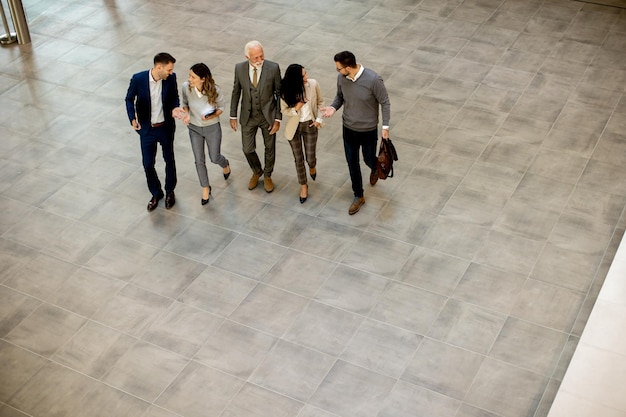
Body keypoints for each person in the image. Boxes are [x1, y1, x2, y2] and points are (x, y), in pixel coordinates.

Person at [320, 51, 391, 215]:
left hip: (367, 130)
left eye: (339, 69)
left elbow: (385, 103)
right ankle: (358, 195)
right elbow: (340, 97)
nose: (338, 72)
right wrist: (333, 107)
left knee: (367, 158)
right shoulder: (342, 79)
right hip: (348, 128)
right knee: (352, 163)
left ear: (348, 67)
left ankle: (375, 168)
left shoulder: (373, 80)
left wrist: (385, 128)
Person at [125, 52, 180, 211]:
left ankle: (170, 191)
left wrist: (176, 108)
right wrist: (132, 118)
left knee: (169, 160)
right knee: (148, 164)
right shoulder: (138, 79)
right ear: (158, 67)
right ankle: (156, 193)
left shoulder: (171, 78)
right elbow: (129, 99)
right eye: (168, 70)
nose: (171, 73)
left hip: (165, 127)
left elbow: (174, 97)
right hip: (147, 129)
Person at [229, 40, 282, 193]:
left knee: (270, 147)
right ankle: (257, 170)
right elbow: (236, 92)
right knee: (247, 149)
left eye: (261, 56)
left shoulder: (273, 68)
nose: (260, 60)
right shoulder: (239, 68)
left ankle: (267, 175)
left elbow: (279, 94)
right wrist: (233, 115)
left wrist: (277, 119)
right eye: (256, 58)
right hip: (248, 115)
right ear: (247, 57)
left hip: (268, 116)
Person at [178, 63, 231, 206]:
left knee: (214, 157)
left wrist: (211, 115)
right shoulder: (186, 87)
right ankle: (205, 187)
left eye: (193, 77)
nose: (189, 79)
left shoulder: (215, 90)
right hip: (194, 128)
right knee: (199, 160)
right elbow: (184, 102)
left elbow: (221, 107)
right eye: (189, 75)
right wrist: (187, 114)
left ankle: (225, 164)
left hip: (212, 128)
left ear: (202, 79)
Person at [279, 64, 323, 204]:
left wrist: (318, 120)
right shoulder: (286, 91)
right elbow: (284, 111)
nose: (307, 77)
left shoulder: (313, 84)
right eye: (303, 76)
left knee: (310, 157)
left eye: (306, 73)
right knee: (298, 159)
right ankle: (303, 186)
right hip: (294, 128)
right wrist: (296, 108)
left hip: (310, 125)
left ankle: (312, 165)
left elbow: (321, 103)